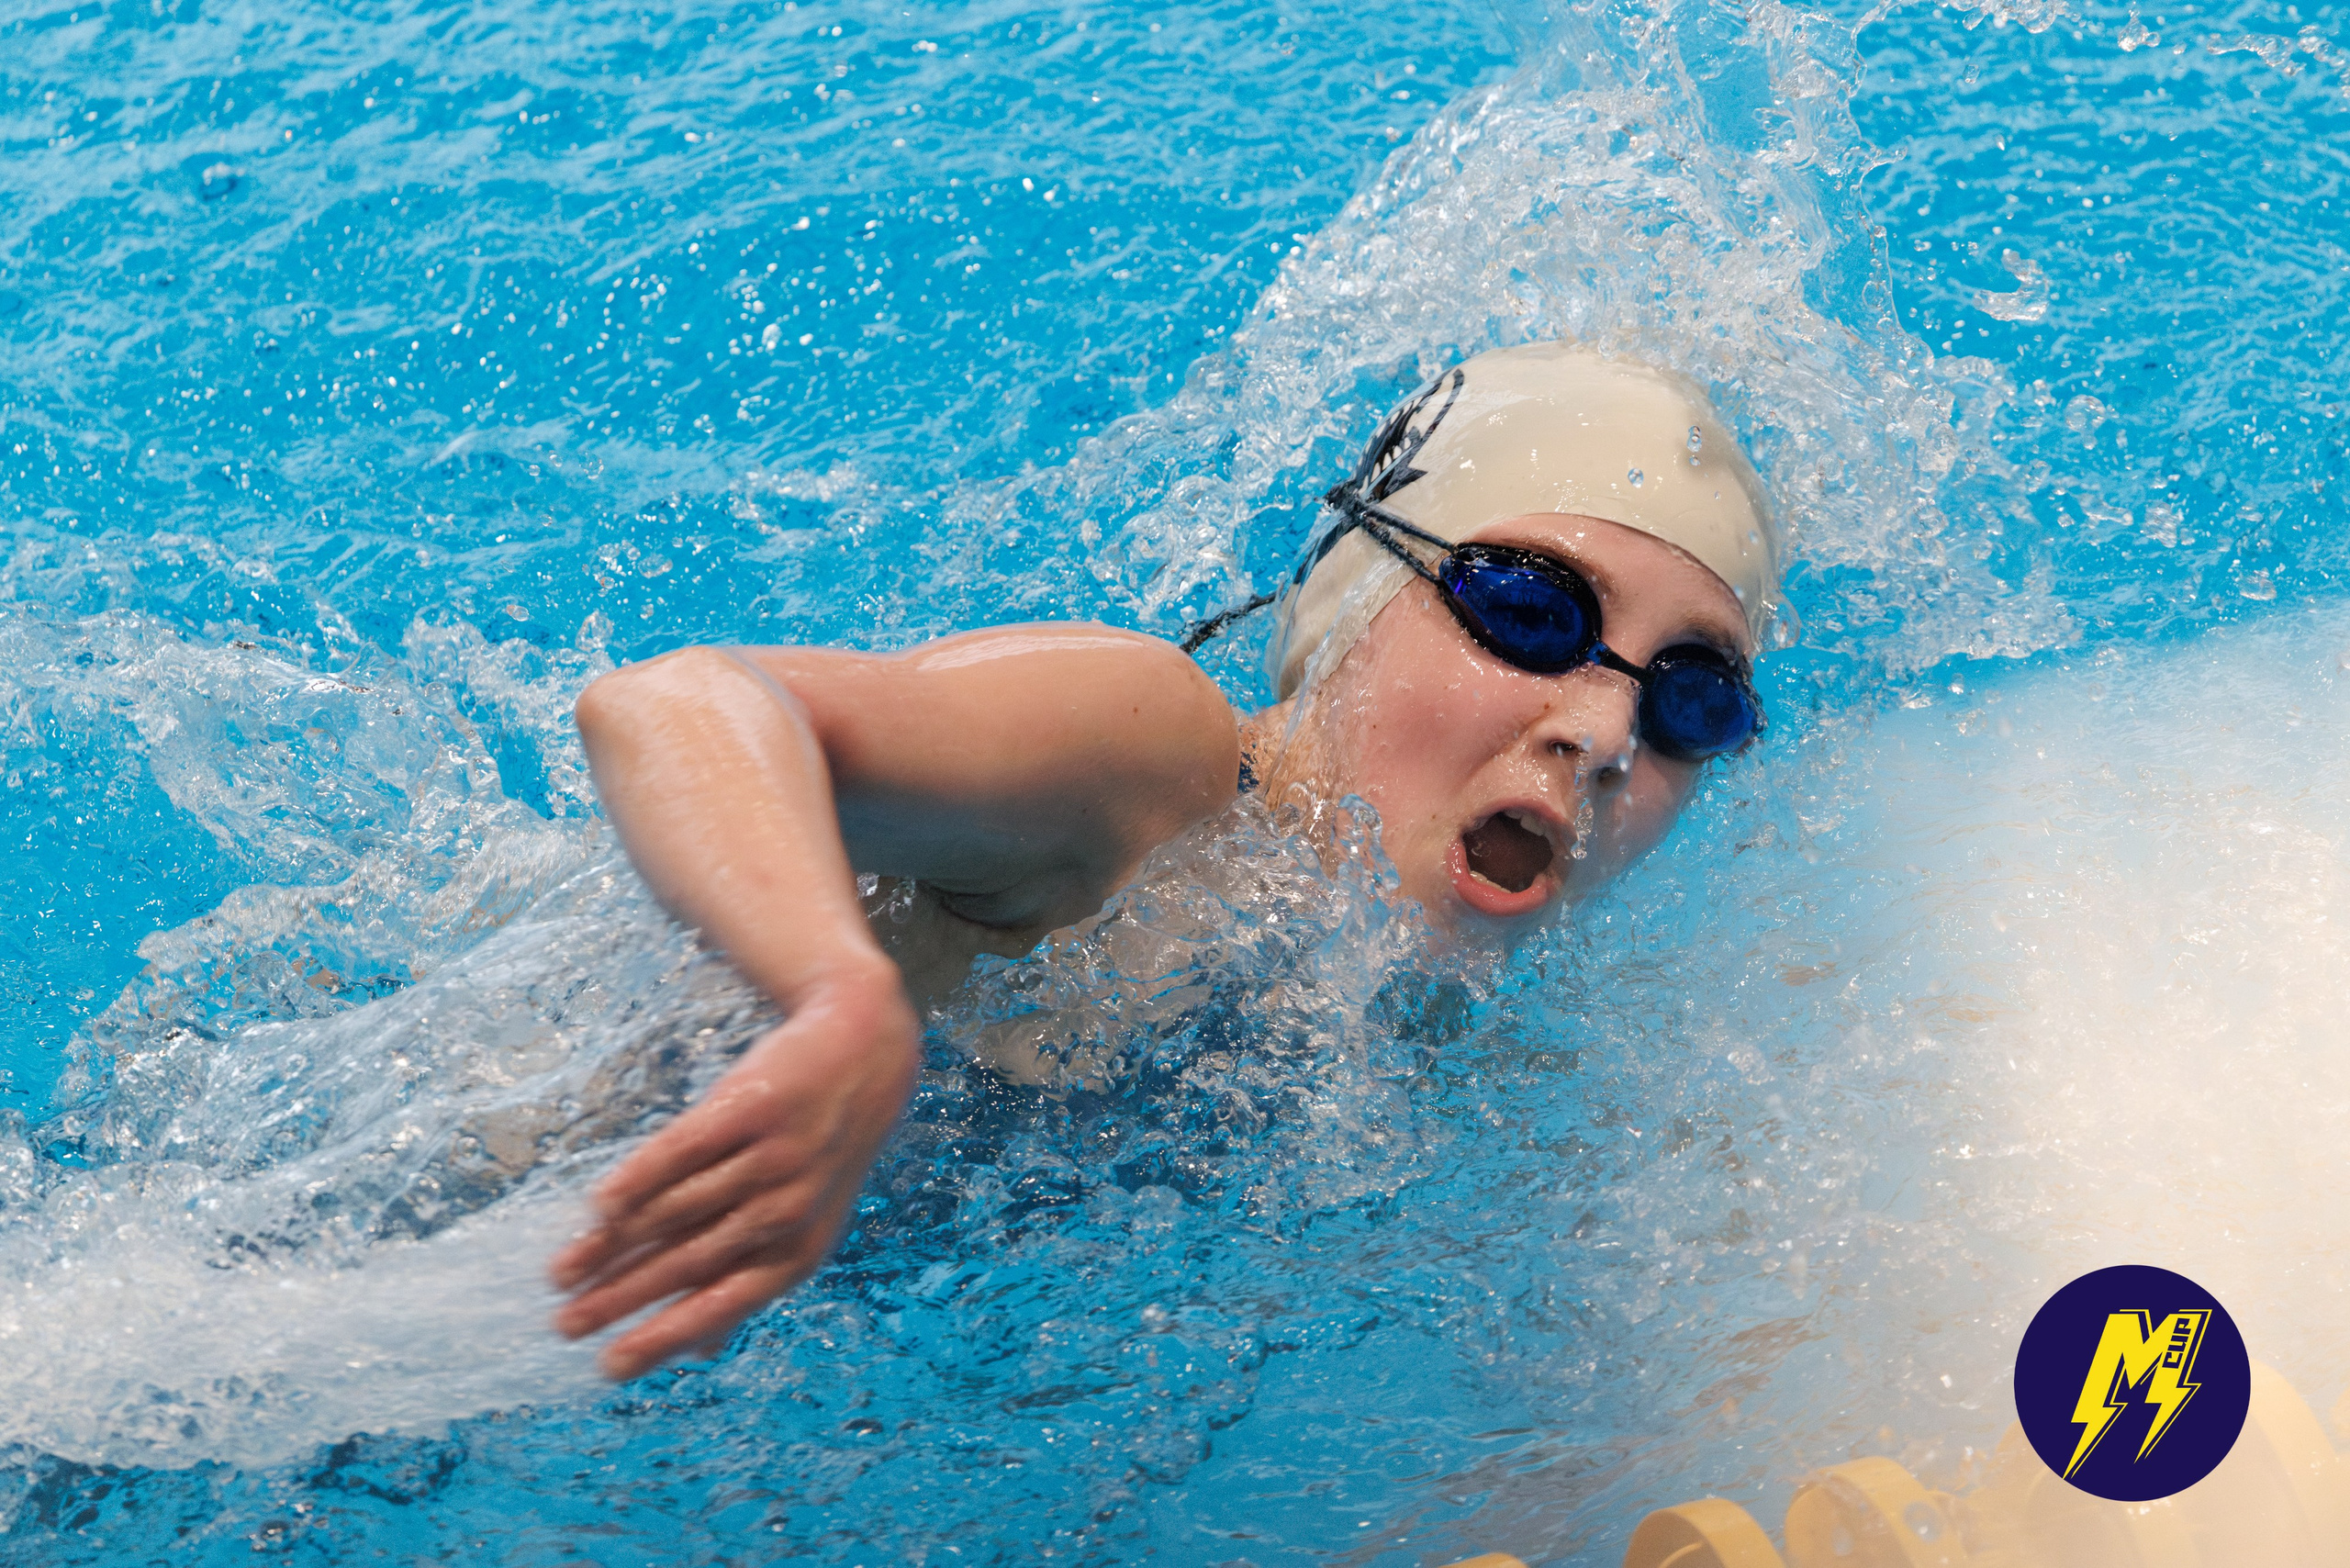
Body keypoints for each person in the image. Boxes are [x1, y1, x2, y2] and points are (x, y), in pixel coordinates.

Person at [549, 341, 1782, 1379]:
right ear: (1354, 602)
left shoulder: (1443, 1051)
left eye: (1694, 701)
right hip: (497, 1208)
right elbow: (676, 702)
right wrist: (832, 988)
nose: (1608, 733)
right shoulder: (1150, 774)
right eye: (1532, 610)